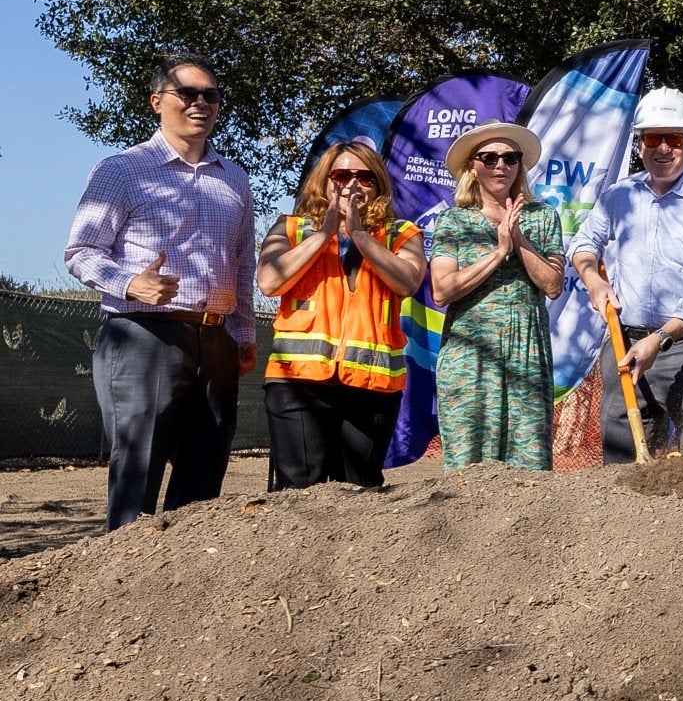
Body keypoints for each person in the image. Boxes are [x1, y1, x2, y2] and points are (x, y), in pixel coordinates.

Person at [64, 55, 258, 530]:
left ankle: (179, 599)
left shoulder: (235, 179)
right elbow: (80, 251)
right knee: (138, 478)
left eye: (210, 95)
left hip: (216, 341)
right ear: (157, 102)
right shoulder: (122, 170)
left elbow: (243, 265)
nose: (200, 103)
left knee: (204, 479)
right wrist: (130, 282)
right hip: (142, 337)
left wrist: (244, 333)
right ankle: (118, 593)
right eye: (186, 94)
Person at [572, 87, 683, 462]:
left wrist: (658, 340)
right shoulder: (619, 196)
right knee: (621, 456)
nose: (663, 149)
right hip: (623, 340)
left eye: (674, 139)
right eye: (652, 138)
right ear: (639, 144)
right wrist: (594, 281)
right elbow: (583, 243)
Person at [257, 140, 425, 489]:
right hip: (297, 381)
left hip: (372, 385)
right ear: (325, 180)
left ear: (378, 185)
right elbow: (270, 281)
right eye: (342, 175)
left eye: (365, 178)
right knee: (299, 490)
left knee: (360, 488)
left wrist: (361, 235)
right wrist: (323, 235)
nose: (352, 184)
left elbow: (408, 282)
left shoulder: (400, 234)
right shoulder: (291, 228)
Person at [427, 122, 565, 469]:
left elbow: (552, 284)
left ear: (520, 165)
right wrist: (498, 251)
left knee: (529, 461)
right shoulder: (454, 221)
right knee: (467, 462)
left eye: (510, 157)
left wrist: (517, 237)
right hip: (470, 351)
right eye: (488, 157)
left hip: (526, 348)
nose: (500, 165)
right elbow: (442, 290)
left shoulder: (542, 217)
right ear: (472, 166)